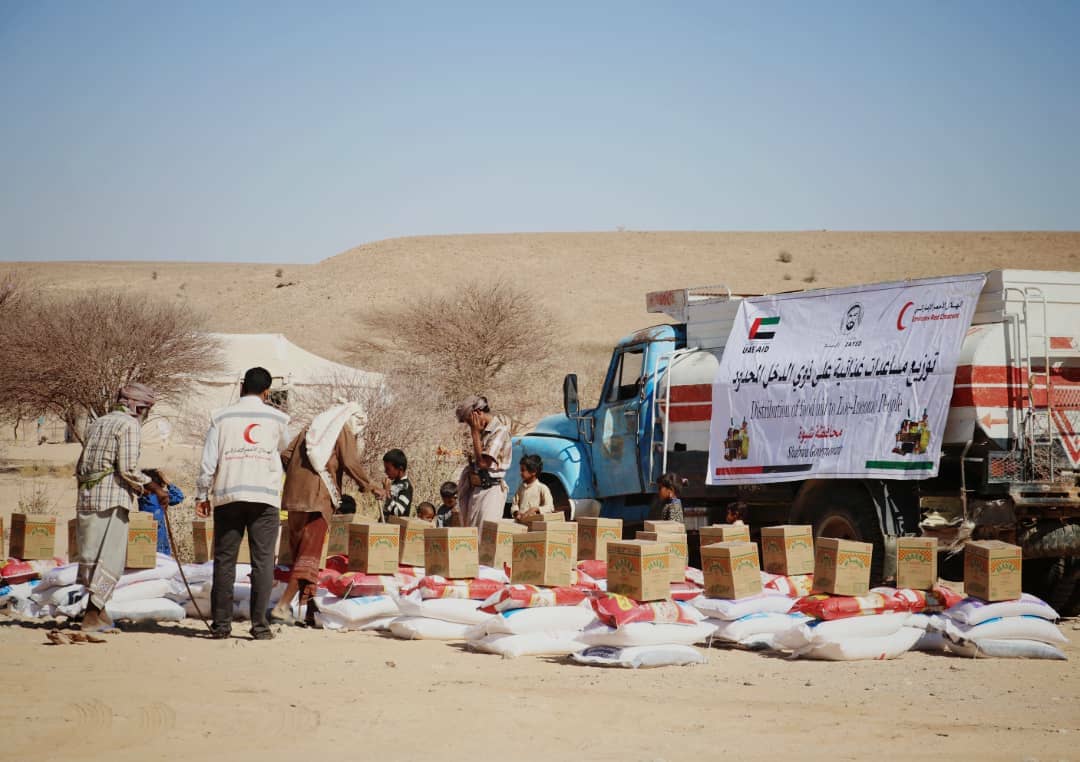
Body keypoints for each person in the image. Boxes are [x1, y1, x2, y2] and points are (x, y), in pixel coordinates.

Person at [196, 367, 291, 641]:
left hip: (228, 496)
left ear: (241, 387)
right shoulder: (278, 418)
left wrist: (202, 495)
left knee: (224, 561)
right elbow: (282, 447)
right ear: (267, 392)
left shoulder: (221, 417)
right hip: (264, 498)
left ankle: (221, 626)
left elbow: (208, 461)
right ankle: (260, 627)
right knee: (263, 562)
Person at [270, 402, 382, 626]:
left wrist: (299, 476)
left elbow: (285, 455)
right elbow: (350, 461)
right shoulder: (341, 429)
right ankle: (283, 606)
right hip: (318, 498)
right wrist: (370, 485)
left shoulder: (310, 428)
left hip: (293, 497)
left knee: (300, 552)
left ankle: (310, 611)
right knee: (309, 557)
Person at [75, 383, 169, 633]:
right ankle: (92, 615)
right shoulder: (129, 425)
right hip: (112, 499)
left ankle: (97, 613)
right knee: (110, 559)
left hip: (87, 496)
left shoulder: (99, 422)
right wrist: (155, 488)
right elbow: (127, 469)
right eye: (146, 408)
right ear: (137, 406)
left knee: (91, 556)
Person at [455, 395, 512, 528]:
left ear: (478, 413)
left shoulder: (499, 431)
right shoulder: (482, 432)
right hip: (476, 490)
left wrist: (475, 434)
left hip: (491, 491)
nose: (470, 426)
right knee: (472, 534)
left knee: (484, 535)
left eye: (470, 421)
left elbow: (483, 464)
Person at [137, 469, 184, 555]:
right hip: (159, 544)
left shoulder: (143, 498)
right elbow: (179, 496)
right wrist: (167, 482)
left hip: (149, 541)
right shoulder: (160, 497)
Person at [511, 454, 554, 523]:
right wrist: (516, 513)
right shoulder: (521, 487)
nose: (520, 473)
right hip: (520, 523)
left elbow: (550, 507)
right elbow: (515, 504)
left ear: (533, 472)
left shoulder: (542, 488)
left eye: (523, 470)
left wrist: (536, 509)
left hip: (535, 525)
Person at [381, 449, 413, 520]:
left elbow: (397, 513)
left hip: (396, 529)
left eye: (388, 469)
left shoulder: (406, 487)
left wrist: (387, 493)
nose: (385, 471)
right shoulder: (392, 483)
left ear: (400, 469)